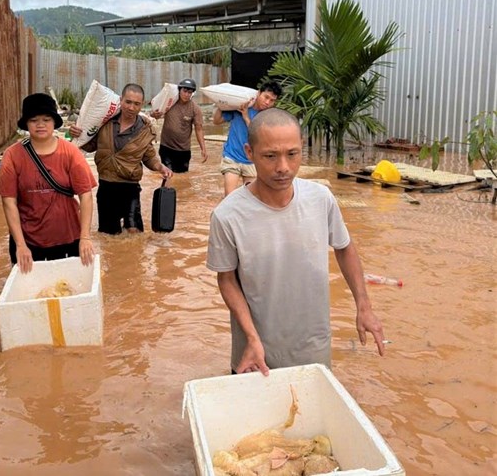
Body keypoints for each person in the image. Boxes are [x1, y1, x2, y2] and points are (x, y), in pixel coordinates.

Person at [206, 108, 385, 376]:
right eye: (270, 156)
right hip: (255, 353)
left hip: (313, 348)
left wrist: (364, 306)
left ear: (302, 147)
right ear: (249, 152)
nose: (283, 167)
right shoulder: (227, 215)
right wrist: (252, 338)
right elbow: (227, 280)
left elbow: (344, 247)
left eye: (292, 154)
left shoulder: (320, 198)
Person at [0, 93, 97, 273]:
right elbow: (8, 202)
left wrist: (85, 237)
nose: (40, 124)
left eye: (46, 119)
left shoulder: (70, 153)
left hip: (68, 237)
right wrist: (20, 245)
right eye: (34, 120)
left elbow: (86, 195)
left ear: (54, 122)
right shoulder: (12, 156)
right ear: (26, 124)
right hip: (28, 241)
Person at [69, 83, 173, 235]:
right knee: (108, 235)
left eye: (136, 104)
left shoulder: (145, 129)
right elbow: (90, 145)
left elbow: (149, 156)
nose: (131, 107)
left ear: (142, 105)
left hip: (130, 187)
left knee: (134, 231)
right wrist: (76, 133)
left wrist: (160, 167)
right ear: (121, 100)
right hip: (106, 186)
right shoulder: (104, 122)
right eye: (128, 102)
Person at [212, 79, 282, 197]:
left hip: (252, 161)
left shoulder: (268, 116)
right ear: (259, 93)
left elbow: (259, 135)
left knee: (252, 198)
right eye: (266, 97)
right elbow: (216, 121)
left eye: (272, 101)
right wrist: (221, 105)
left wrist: (246, 117)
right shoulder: (240, 105)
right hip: (232, 156)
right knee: (230, 197)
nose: (267, 102)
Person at [150, 78, 207, 172]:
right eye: (184, 91)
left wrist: (203, 149)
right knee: (167, 175)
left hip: (183, 150)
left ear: (192, 93)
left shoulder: (195, 109)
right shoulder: (169, 102)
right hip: (166, 147)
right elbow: (154, 115)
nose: (186, 94)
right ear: (179, 90)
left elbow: (199, 129)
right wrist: (154, 114)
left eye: (189, 92)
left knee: (182, 179)